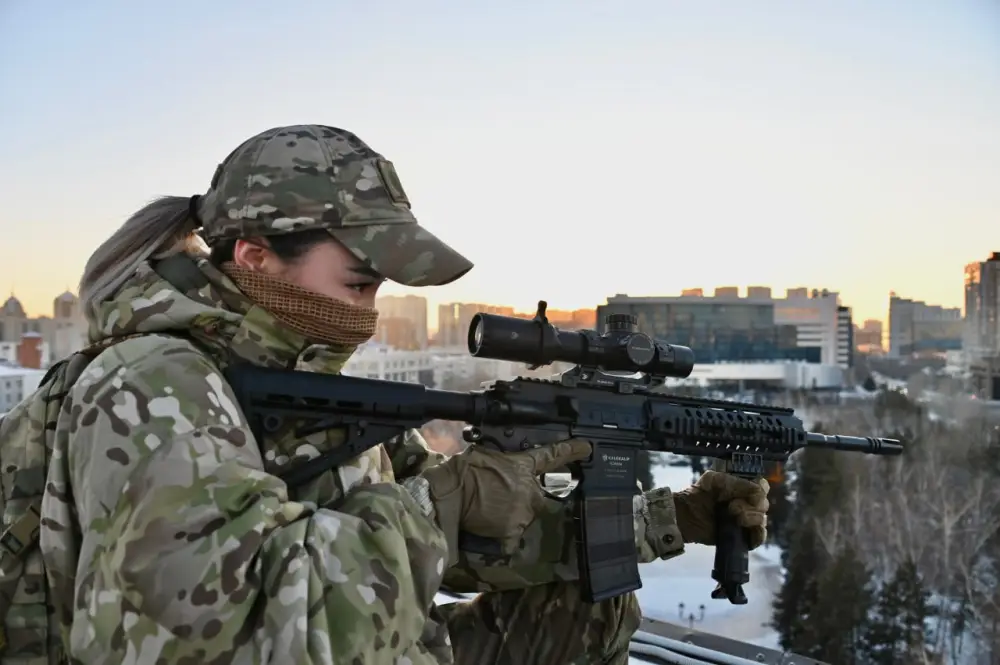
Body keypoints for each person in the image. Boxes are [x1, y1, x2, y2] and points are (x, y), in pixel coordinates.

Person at [33, 125, 769, 664]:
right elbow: (211, 640)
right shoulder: (154, 386)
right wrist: (441, 506)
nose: (369, 308)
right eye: (358, 282)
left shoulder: (313, 383)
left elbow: (465, 540)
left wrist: (672, 517)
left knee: (587, 603)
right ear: (256, 258)